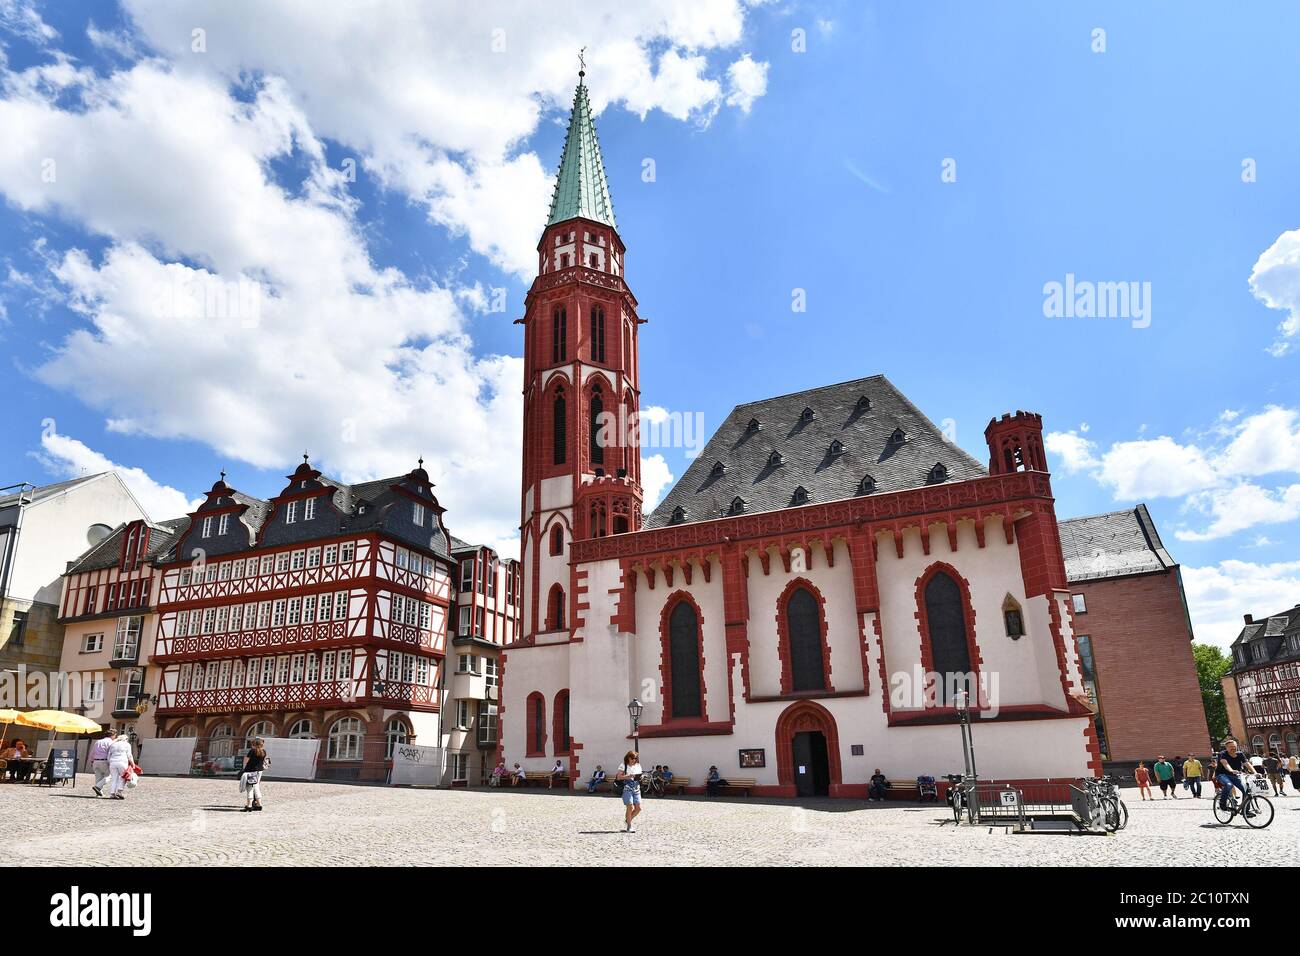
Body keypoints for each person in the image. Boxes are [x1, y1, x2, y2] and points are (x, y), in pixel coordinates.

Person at [1215, 739, 1254, 817]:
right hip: (1222, 775)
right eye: (1231, 747)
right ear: (1226, 748)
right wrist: (1231, 770)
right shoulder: (1222, 754)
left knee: (1246, 790)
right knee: (1229, 785)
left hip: (1235, 775)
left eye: (1234, 746)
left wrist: (1255, 772)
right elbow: (1225, 764)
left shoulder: (1240, 754)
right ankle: (1222, 804)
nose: (1233, 748)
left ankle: (1245, 811)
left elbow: (1246, 763)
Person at [616, 750, 643, 832]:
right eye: (632, 758)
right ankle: (629, 826)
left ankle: (628, 819)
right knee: (630, 806)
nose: (634, 760)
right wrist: (628, 776)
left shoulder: (638, 765)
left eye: (635, 758)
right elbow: (619, 777)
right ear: (628, 757)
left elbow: (640, 775)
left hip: (636, 788)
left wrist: (641, 777)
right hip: (627, 788)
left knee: (638, 809)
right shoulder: (623, 765)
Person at [240, 738, 269, 811]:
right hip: (259, 771)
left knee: (249, 788)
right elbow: (264, 761)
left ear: (254, 744)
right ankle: (259, 805)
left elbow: (246, 761)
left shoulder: (252, 751)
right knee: (256, 787)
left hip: (250, 771)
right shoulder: (264, 751)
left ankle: (249, 805)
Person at [106, 732, 134, 800]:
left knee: (114, 779)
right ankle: (119, 791)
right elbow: (129, 755)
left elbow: (109, 755)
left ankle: (112, 793)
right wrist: (132, 764)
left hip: (113, 762)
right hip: (122, 762)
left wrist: (109, 762)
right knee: (123, 777)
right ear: (126, 739)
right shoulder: (127, 744)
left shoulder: (113, 744)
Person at [89, 730, 114, 797]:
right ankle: (98, 787)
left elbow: (92, 752)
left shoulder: (98, 741)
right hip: (105, 761)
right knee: (109, 776)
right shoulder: (111, 742)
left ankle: (99, 793)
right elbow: (111, 753)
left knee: (98, 777)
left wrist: (91, 761)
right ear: (112, 735)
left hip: (96, 761)